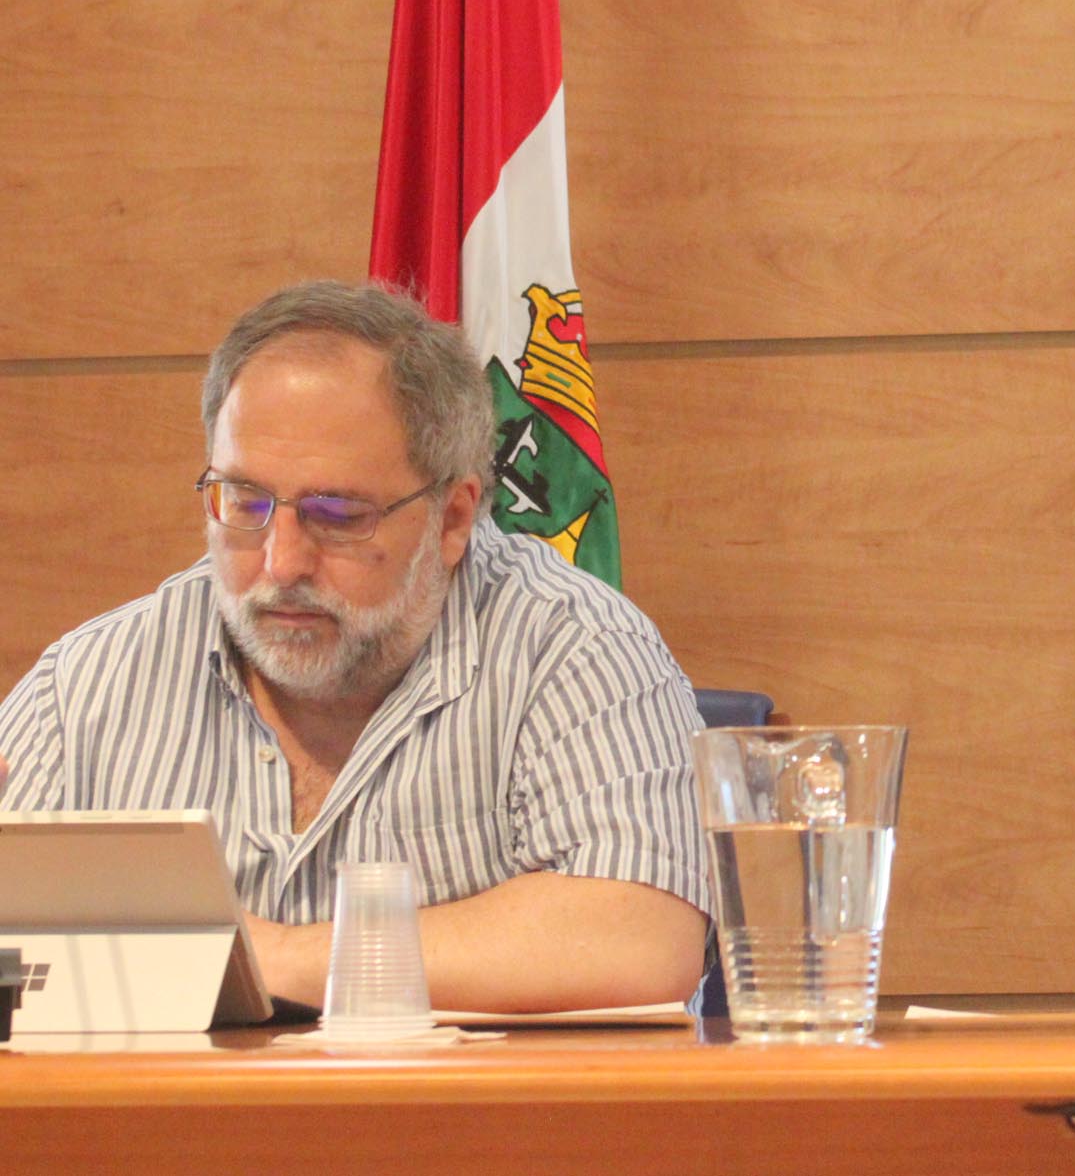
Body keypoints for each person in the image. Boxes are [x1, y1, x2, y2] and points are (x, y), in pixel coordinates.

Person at [0, 281, 710, 1013]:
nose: (281, 562)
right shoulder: (88, 683)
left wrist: (260, 956)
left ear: (452, 518)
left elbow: (643, 939)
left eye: (337, 514)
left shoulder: (574, 649)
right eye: (244, 502)